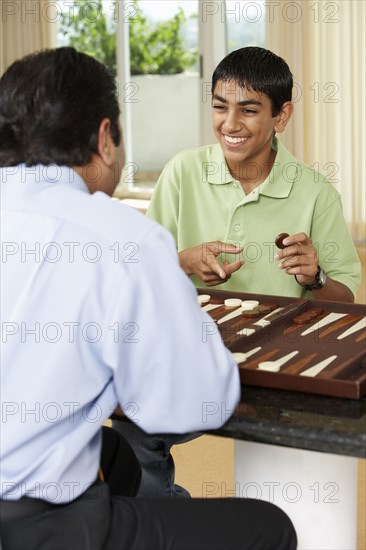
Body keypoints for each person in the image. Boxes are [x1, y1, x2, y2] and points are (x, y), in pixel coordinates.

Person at [0, 47, 297, 550]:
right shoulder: (123, 237)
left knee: (114, 454)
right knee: (270, 527)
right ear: (104, 139)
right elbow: (188, 404)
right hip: (34, 525)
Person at [113, 46, 361, 497]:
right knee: (127, 429)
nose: (230, 124)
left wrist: (316, 278)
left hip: (280, 366)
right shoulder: (181, 173)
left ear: (281, 116)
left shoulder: (314, 191)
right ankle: (165, 520)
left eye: (248, 110)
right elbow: (137, 276)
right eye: (220, 107)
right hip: (189, 357)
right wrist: (183, 261)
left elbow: (346, 302)